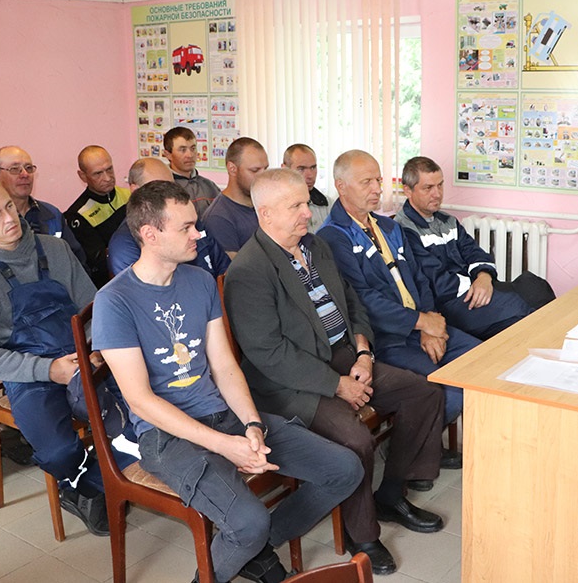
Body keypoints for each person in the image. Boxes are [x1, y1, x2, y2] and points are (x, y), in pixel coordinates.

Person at [92, 181, 362, 583]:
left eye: (195, 224)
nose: (199, 234)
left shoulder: (199, 281)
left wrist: (251, 424)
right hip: (165, 435)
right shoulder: (114, 301)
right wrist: (224, 445)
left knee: (345, 469)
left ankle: (255, 549)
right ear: (150, 234)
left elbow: (224, 366)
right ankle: (226, 564)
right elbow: (141, 401)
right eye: (186, 227)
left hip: (223, 415)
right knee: (249, 522)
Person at [226, 168, 446, 576]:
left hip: (342, 355)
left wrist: (363, 352)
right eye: (295, 206)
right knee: (355, 440)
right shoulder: (250, 271)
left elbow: (352, 301)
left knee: (424, 392)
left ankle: (391, 494)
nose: (307, 213)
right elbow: (269, 354)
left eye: (305, 203)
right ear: (266, 214)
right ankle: (363, 535)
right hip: (289, 383)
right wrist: (337, 385)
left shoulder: (315, 247)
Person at [0, 180, 128, 536]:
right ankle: (81, 485)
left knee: (135, 418)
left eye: (9, 206)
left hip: (82, 357)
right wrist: (48, 370)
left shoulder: (54, 248)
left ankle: (92, 482)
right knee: (58, 451)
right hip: (27, 373)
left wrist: (95, 350)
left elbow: (92, 309)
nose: (10, 218)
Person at [317, 150, 480, 431]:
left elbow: (419, 278)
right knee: (448, 388)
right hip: (386, 338)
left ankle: (428, 436)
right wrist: (420, 322)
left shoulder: (389, 226)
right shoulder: (331, 237)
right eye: (367, 182)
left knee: (481, 360)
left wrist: (429, 321)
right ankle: (412, 444)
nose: (377, 189)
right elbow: (362, 299)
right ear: (341, 186)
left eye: (378, 180)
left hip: (420, 324)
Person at [395, 156, 544, 340]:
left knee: (536, 287)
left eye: (440, 185)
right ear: (407, 190)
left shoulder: (448, 221)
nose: (437, 194)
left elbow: (474, 252)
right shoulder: (403, 230)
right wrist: (474, 283)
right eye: (428, 188)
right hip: (450, 302)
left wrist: (484, 276)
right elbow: (435, 281)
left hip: (472, 289)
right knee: (520, 310)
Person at [107, 157, 230, 277]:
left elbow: (224, 268)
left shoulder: (190, 221)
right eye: (158, 191)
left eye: (172, 187)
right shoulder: (124, 244)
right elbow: (142, 287)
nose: (170, 195)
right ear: (136, 191)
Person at [0, 145, 87, 268]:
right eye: (15, 169)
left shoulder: (52, 214)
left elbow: (77, 262)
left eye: (29, 168)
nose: (25, 174)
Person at [64, 145, 130, 287]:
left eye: (109, 169)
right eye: (98, 174)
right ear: (83, 176)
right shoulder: (77, 215)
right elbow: (100, 261)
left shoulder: (130, 195)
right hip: (111, 284)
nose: (107, 178)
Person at [200, 137, 268, 257]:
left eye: (265, 169)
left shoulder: (264, 203)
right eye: (255, 170)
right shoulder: (218, 218)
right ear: (232, 169)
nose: (263, 177)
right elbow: (235, 267)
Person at [163, 126, 222, 217]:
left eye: (193, 148)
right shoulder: (163, 188)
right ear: (168, 155)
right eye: (183, 150)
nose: (190, 155)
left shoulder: (210, 186)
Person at [281, 143, 333, 233]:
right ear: (285, 169)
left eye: (313, 167)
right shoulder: (276, 205)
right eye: (301, 169)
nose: (310, 175)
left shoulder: (327, 203)